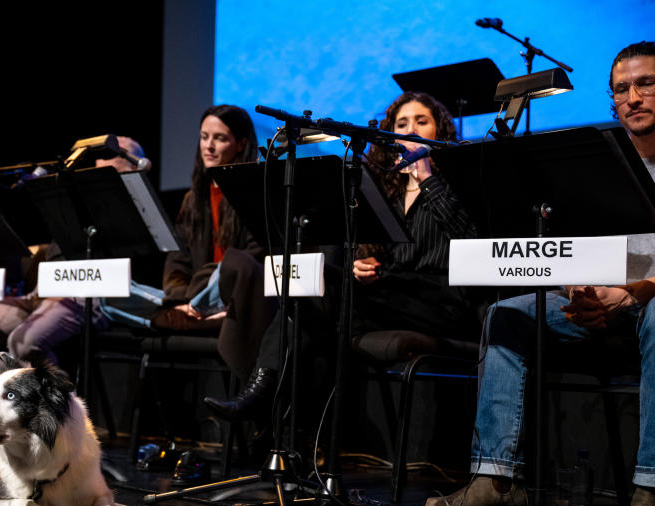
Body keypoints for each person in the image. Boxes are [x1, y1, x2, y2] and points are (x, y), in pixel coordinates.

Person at [423, 41, 655, 506]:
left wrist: (630, 294)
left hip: (647, 302)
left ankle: (650, 490)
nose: (633, 97)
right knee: (507, 312)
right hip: (600, 300)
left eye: (646, 84)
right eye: (621, 89)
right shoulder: (598, 160)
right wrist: (580, 286)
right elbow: (572, 245)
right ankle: (496, 479)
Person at [205, 91, 478, 419]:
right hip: (393, 295)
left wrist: (428, 180)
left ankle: (262, 397)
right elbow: (374, 253)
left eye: (422, 121)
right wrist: (360, 265)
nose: (410, 130)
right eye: (402, 123)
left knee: (314, 308)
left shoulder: (454, 180)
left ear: (440, 130)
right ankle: (279, 412)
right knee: (308, 299)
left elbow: (469, 237)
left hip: (442, 300)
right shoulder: (387, 188)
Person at [0, 136, 150, 380]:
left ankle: (56, 411)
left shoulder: (137, 208)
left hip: (87, 296)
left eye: (114, 154)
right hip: (43, 292)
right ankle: (26, 385)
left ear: (135, 166)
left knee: (23, 342)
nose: (102, 159)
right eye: (101, 154)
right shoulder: (79, 199)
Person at [157, 104, 276, 381]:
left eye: (220, 138)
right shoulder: (193, 198)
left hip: (235, 298)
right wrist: (180, 298)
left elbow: (253, 259)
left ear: (241, 144)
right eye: (204, 137)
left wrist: (200, 295)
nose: (208, 146)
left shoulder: (254, 192)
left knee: (233, 264)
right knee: (115, 295)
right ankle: (190, 312)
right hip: (194, 299)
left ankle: (197, 312)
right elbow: (178, 258)